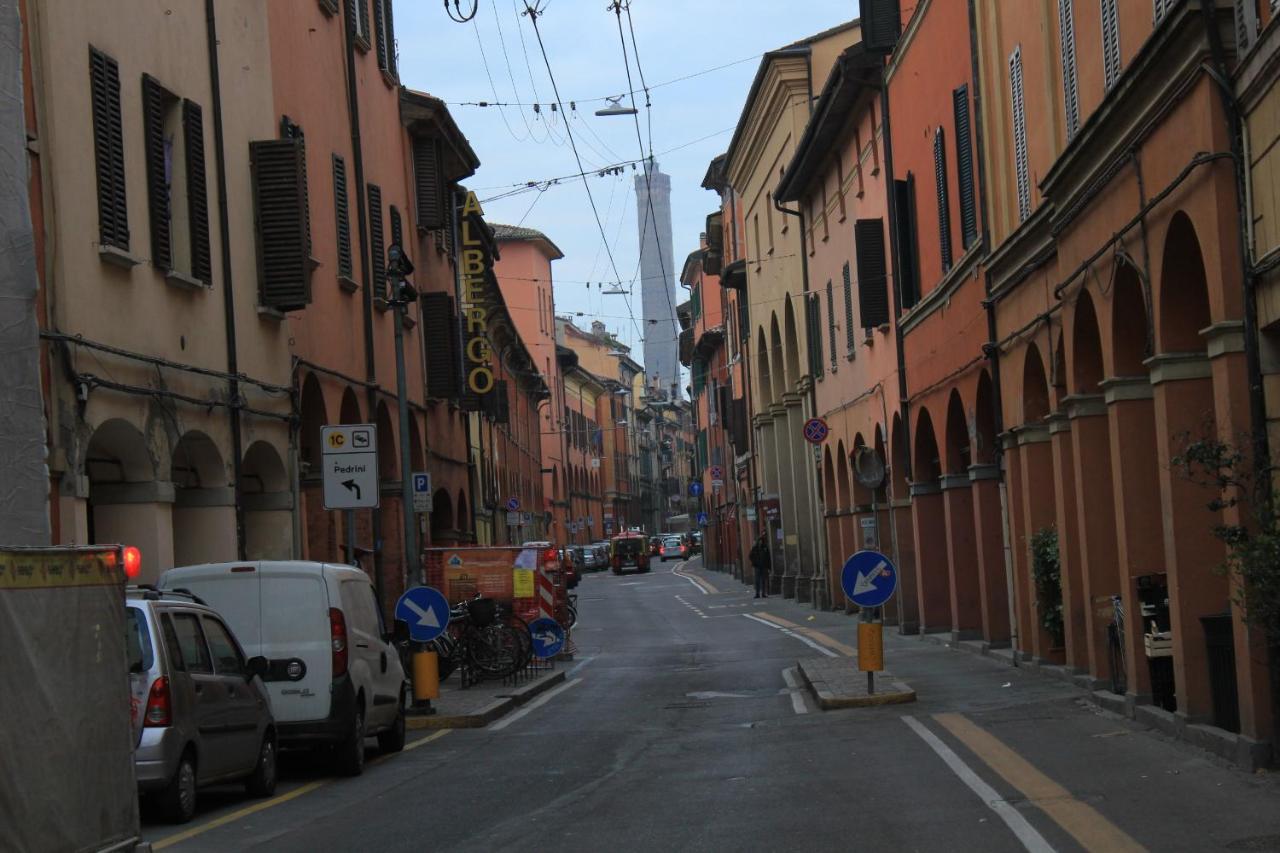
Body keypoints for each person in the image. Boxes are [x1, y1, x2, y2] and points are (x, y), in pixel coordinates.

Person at [749, 533, 771, 599]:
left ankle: (763, 593)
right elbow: (750, 556)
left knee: (763, 580)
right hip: (757, 567)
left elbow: (768, 557)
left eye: (761, 541)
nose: (760, 542)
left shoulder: (765, 548)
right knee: (757, 581)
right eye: (759, 541)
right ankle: (757, 593)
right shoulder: (755, 548)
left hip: (764, 566)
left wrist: (769, 567)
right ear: (758, 541)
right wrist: (754, 562)